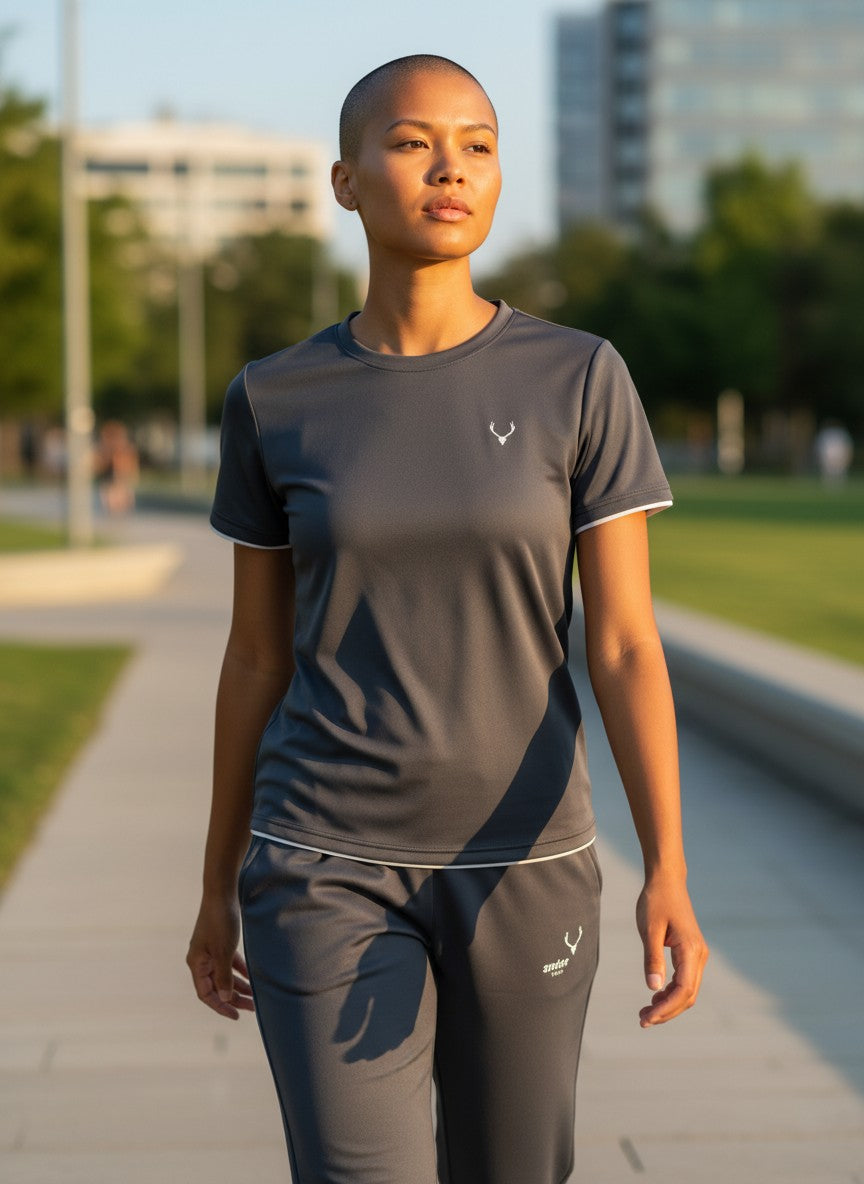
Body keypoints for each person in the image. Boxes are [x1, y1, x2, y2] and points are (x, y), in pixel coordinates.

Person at [187, 54, 708, 1184]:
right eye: (413, 141)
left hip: (527, 860)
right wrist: (216, 880)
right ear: (346, 178)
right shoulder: (275, 399)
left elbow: (622, 642)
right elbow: (254, 656)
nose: (450, 169)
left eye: (476, 144)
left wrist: (666, 862)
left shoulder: (579, 378)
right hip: (321, 857)